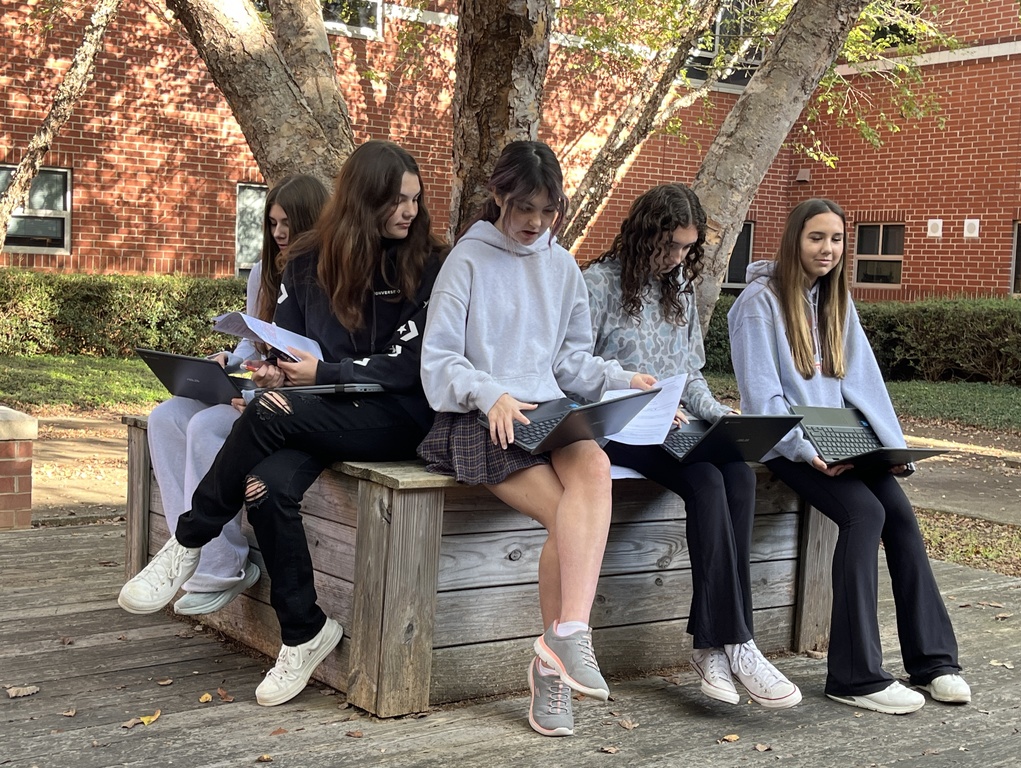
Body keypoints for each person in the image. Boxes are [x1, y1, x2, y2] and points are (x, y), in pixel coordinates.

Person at [118, 140, 446, 707]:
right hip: (319, 408)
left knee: (273, 416)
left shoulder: (431, 263)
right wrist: (273, 371)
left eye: (415, 200)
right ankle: (304, 630)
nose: (409, 213)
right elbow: (284, 344)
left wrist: (325, 371)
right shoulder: (308, 262)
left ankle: (189, 538)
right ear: (362, 201)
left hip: (395, 414)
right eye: (397, 201)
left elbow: (411, 364)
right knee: (265, 489)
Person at [418, 140, 655, 738]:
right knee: (565, 517)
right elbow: (438, 360)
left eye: (548, 211)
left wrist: (624, 379)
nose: (534, 222)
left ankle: (566, 637)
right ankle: (553, 674)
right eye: (524, 207)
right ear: (499, 195)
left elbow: (572, 362)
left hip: (547, 409)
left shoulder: (562, 266)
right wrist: (487, 391)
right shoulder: (466, 260)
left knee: (594, 469)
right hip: (482, 415)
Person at [727, 197, 970, 715]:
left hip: (845, 438)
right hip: (787, 443)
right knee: (866, 514)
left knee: (901, 518)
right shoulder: (758, 303)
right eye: (817, 237)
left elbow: (865, 384)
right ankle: (855, 676)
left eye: (837, 239)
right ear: (795, 240)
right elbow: (760, 398)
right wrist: (804, 448)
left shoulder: (836, 300)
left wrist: (889, 447)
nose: (828, 249)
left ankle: (933, 662)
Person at [583, 183, 802, 709]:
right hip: (618, 430)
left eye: (687, 247)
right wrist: (635, 389)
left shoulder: (678, 289)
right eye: (671, 245)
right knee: (712, 476)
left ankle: (715, 645)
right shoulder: (597, 285)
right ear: (644, 234)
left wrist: (715, 412)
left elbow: (692, 376)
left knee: (733, 473)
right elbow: (573, 374)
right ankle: (735, 641)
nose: (679, 257)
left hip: (676, 431)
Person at [143, 174, 328, 617]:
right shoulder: (265, 271)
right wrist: (230, 360)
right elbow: (254, 341)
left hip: (293, 401)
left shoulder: (326, 275)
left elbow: (325, 357)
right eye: (272, 223)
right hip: (252, 387)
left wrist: (272, 377)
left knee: (208, 426)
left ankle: (223, 567)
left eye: (289, 224)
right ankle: (190, 560)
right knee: (166, 417)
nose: (279, 234)